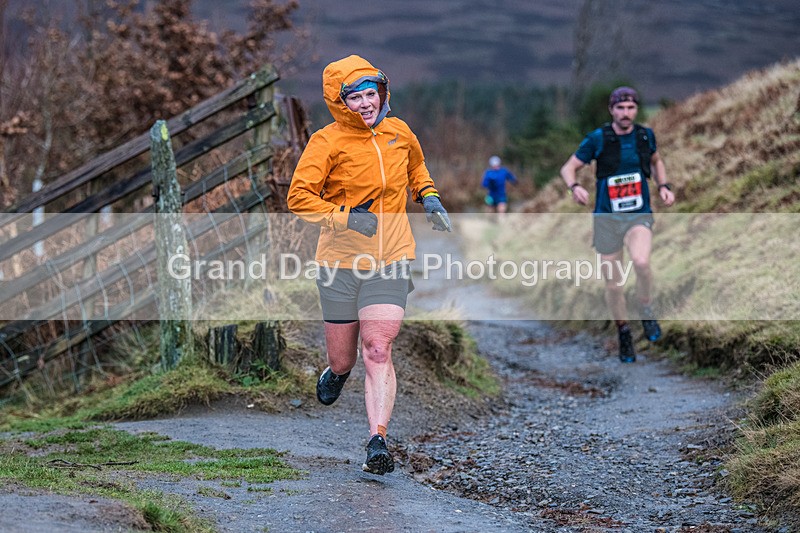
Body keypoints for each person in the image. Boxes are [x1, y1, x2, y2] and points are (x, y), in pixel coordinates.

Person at [287, 55, 451, 475]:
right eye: (355, 97)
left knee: (378, 348)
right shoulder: (326, 142)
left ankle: (377, 439)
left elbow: (416, 166)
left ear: (382, 93)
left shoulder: (399, 132)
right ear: (341, 102)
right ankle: (337, 373)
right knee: (345, 359)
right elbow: (298, 197)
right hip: (340, 263)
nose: (365, 103)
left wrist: (428, 195)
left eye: (370, 93)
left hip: (391, 257)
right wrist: (345, 216)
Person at [559, 86, 675, 363]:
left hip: (638, 214)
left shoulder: (645, 136)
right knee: (613, 284)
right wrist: (574, 186)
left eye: (631, 108)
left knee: (641, 263)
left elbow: (657, 162)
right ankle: (623, 331)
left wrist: (664, 185)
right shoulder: (598, 138)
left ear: (637, 110)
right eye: (620, 108)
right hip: (607, 218)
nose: (626, 113)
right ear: (612, 109)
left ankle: (646, 307)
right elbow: (568, 167)